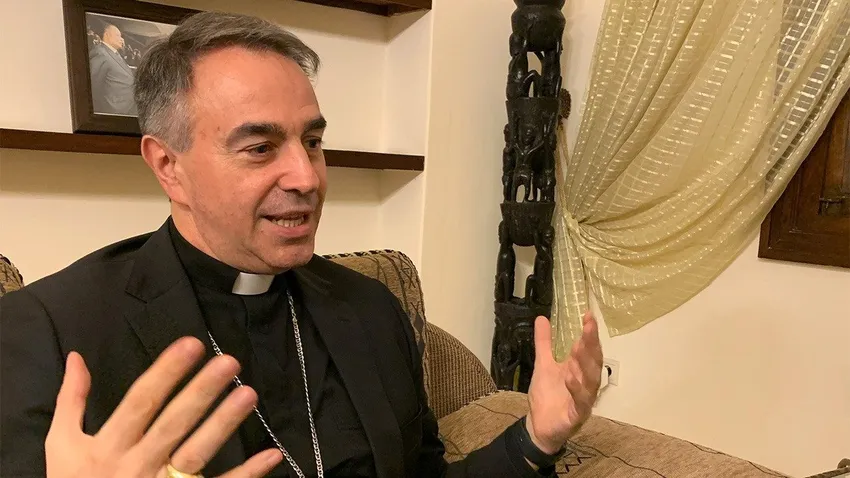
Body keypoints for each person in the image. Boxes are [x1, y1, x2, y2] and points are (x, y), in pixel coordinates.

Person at [0, 11, 603, 478]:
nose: (307, 177)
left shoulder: (370, 308)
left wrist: (536, 438)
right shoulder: (48, 332)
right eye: (260, 148)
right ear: (168, 166)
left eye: (312, 142)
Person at [89, 23, 137, 115]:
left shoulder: (114, 53)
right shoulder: (100, 53)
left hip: (128, 106)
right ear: (107, 35)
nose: (121, 39)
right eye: (118, 35)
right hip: (116, 110)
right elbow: (94, 86)